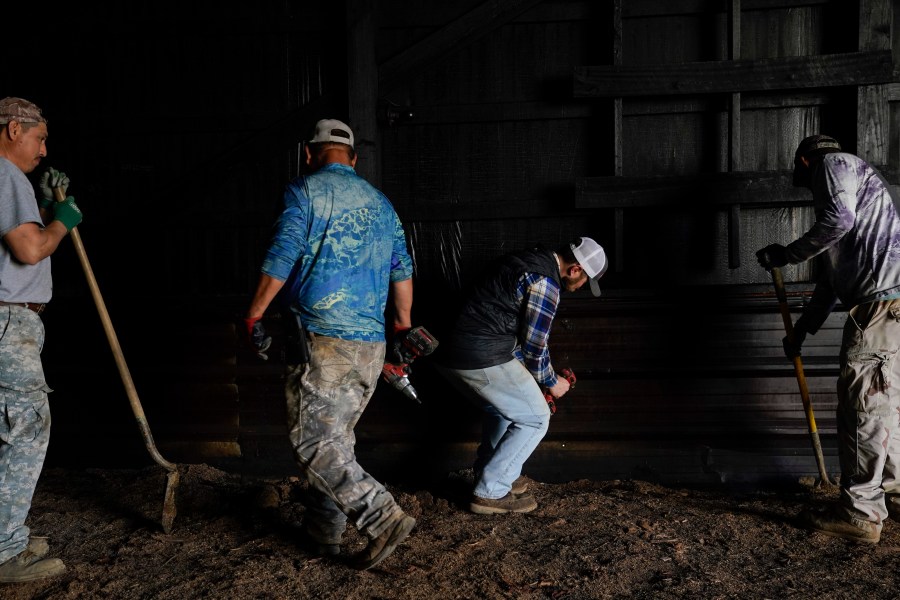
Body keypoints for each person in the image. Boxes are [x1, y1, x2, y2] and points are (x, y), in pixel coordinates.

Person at [244, 118, 417, 570]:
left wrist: (255, 313)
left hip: (325, 341)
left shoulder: (305, 192)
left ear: (308, 153)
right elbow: (402, 272)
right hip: (372, 344)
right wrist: (401, 328)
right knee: (336, 440)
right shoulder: (382, 204)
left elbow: (281, 256)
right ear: (354, 159)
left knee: (314, 443)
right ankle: (326, 532)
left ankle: (382, 516)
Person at [756, 134, 900, 544]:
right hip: (892, 310)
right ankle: (892, 492)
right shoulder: (859, 200)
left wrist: (788, 254)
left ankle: (861, 514)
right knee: (886, 408)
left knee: (864, 409)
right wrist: (803, 329)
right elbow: (833, 280)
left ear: (804, 162)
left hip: (878, 311)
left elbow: (838, 220)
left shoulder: (832, 165)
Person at [434, 237, 607, 514]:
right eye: (586, 279)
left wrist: (531, 381)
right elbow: (535, 348)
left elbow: (502, 323)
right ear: (575, 269)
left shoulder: (524, 260)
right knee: (536, 418)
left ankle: (494, 472)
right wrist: (552, 382)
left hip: (447, 350)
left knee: (503, 406)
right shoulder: (545, 283)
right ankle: (491, 491)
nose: (583, 286)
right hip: (477, 353)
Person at [0, 97, 82, 582]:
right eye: (39, 138)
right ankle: (4, 552)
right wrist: (62, 222)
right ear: (14, 129)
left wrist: (49, 207)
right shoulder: (5, 175)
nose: (44, 150)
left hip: (10, 320)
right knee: (26, 427)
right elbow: (30, 249)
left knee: (7, 429)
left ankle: (4, 534)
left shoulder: (12, 181)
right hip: (8, 322)